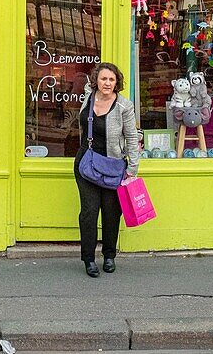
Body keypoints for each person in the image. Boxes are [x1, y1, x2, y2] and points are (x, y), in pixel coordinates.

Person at [74, 62, 140, 278]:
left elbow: (132, 138)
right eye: (104, 79)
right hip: (86, 162)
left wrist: (132, 168)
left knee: (112, 213)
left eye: (112, 80)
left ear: (117, 82)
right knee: (89, 212)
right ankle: (89, 259)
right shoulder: (88, 96)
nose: (108, 83)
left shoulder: (124, 106)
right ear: (96, 80)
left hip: (112, 165)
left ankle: (109, 255)